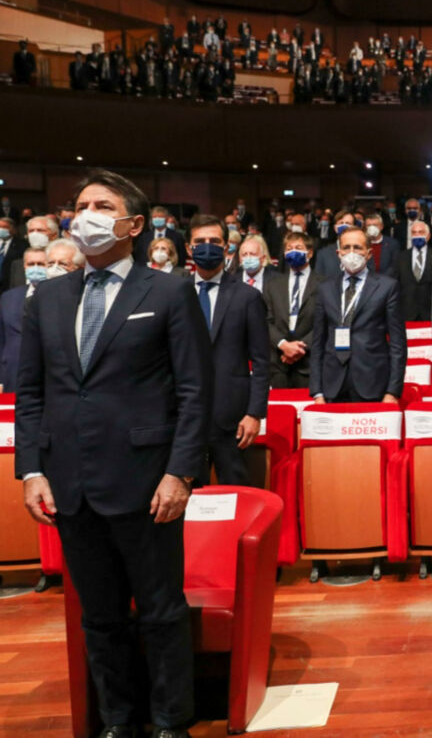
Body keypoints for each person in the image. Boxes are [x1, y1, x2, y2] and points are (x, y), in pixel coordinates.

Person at [16, 169, 212, 738]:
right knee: (98, 617)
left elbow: (194, 392)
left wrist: (181, 473)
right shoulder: (48, 298)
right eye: (80, 205)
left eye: (102, 204)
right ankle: (119, 722)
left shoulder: (170, 291)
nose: (87, 214)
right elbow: (31, 391)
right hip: (69, 484)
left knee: (160, 611)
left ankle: (173, 720)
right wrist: (31, 468)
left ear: (132, 223)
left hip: (147, 482)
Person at [187, 215, 269, 486]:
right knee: (185, 499)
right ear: (189, 248)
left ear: (226, 248)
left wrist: (254, 413)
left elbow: (261, 360)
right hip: (184, 415)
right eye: (200, 242)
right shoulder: (175, 293)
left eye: (214, 241)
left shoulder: (247, 297)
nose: (206, 247)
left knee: (235, 491)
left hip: (232, 416)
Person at [310, 225, 406, 403]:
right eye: (346, 248)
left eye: (357, 247)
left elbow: (398, 344)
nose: (351, 252)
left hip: (373, 382)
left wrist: (393, 391)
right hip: (332, 385)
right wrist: (317, 391)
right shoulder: (325, 288)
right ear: (338, 253)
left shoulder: (387, 287)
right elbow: (318, 342)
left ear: (368, 253)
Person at [264, 232, 324, 389]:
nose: (293, 251)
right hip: (279, 364)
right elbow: (266, 320)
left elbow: (325, 320)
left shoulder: (324, 284)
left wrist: (298, 348)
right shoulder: (272, 284)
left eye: (298, 247)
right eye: (289, 248)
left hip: (310, 363)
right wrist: (284, 345)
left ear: (310, 253)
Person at [0, 247, 47, 391]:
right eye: (31, 264)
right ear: (24, 266)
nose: (35, 268)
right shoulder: (8, 297)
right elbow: (2, 339)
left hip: (46, 374)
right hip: (11, 373)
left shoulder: (60, 297)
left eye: (41, 264)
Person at [395, 220, 432, 322]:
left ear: (428, 236)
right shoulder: (401, 257)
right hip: (406, 311)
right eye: (414, 233)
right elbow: (396, 284)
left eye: (421, 232)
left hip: (431, 310)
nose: (417, 236)